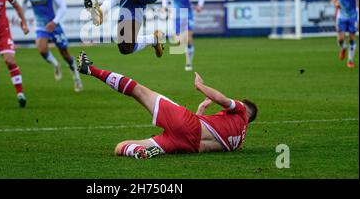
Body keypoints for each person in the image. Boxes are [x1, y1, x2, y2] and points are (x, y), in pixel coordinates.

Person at [77, 51, 258, 159]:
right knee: (120, 147)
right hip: (184, 145)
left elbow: (222, 99)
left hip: (187, 124)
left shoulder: (241, 110)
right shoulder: (239, 142)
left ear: (245, 109)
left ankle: (89, 69)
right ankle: (140, 152)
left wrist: (200, 86)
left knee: (139, 91)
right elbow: (208, 138)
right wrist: (200, 111)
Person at [22, 0, 83, 92]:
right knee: (42, 49)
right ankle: (56, 65)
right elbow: (22, 6)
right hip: (40, 26)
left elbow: (63, 7)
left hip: (54, 26)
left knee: (65, 54)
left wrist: (54, 22)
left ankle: (76, 78)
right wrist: (22, 21)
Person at [162, 0, 204, 71]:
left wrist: (200, 5)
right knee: (178, 42)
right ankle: (182, 45)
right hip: (176, 15)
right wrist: (164, 6)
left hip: (188, 14)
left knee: (189, 39)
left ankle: (189, 63)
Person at [331, 0, 358, 68]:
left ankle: (350, 61)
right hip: (341, 16)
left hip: (353, 15)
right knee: (340, 39)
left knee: (352, 38)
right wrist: (335, 3)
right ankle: (343, 48)